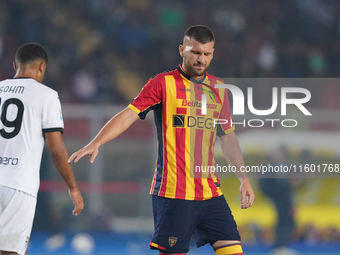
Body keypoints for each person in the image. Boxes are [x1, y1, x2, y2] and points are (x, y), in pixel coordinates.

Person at [69, 25, 255, 255]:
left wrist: (243, 178)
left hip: (210, 194)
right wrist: (96, 142)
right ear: (182, 50)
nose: (201, 59)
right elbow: (129, 113)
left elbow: (227, 136)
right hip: (173, 195)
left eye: (207, 54)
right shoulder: (163, 83)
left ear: (213, 53)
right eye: (195, 52)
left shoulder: (219, 89)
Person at [0, 43, 84, 255]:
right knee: (12, 252)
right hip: (18, 186)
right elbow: (56, 148)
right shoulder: (46, 95)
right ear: (42, 67)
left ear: (14, 65)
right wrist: (72, 187)